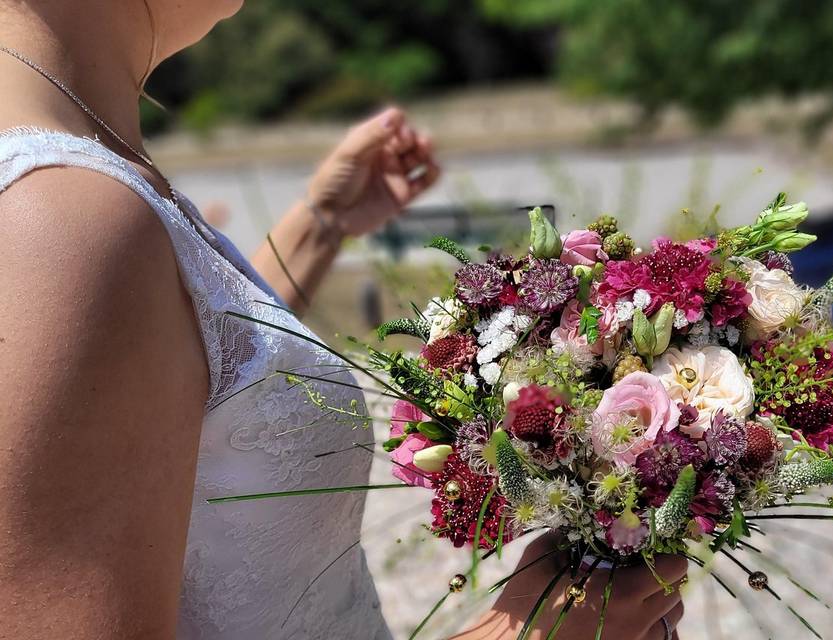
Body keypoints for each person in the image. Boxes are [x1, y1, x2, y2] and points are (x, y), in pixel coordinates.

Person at [0, 1, 685, 638]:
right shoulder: (61, 221)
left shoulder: (80, 176)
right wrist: (526, 630)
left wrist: (320, 227)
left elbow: (188, 370)